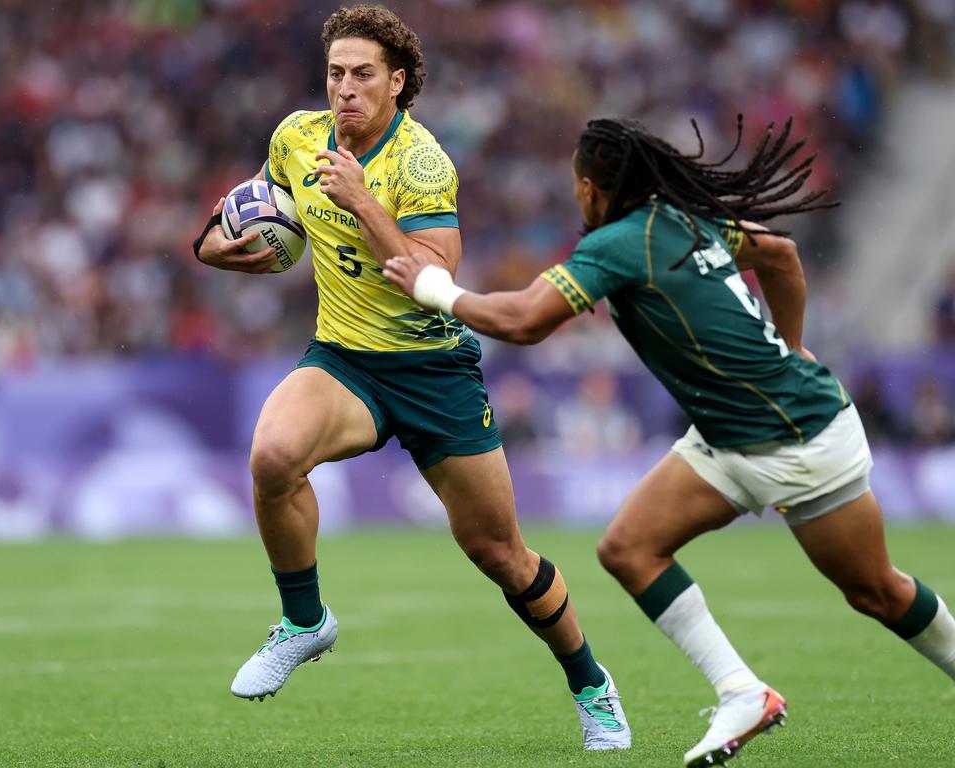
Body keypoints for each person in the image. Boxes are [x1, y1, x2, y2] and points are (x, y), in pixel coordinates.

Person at [384, 115, 955, 767]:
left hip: (797, 439)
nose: (575, 197)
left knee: (875, 591)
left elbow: (522, 320)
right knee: (629, 548)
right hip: (735, 435)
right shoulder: (685, 218)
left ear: (594, 190)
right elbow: (780, 253)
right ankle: (742, 692)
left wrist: (432, 288)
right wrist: (792, 347)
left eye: (576, 186)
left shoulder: (620, 244)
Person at [191, 4, 629, 750]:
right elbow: (243, 218)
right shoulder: (296, 139)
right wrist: (216, 250)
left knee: (501, 555)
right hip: (345, 360)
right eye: (336, 74)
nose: (346, 89)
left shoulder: (421, 162)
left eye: (364, 75)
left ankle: (591, 683)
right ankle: (305, 621)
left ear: (397, 82)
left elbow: (434, 275)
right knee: (271, 455)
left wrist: (363, 201)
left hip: (433, 370)